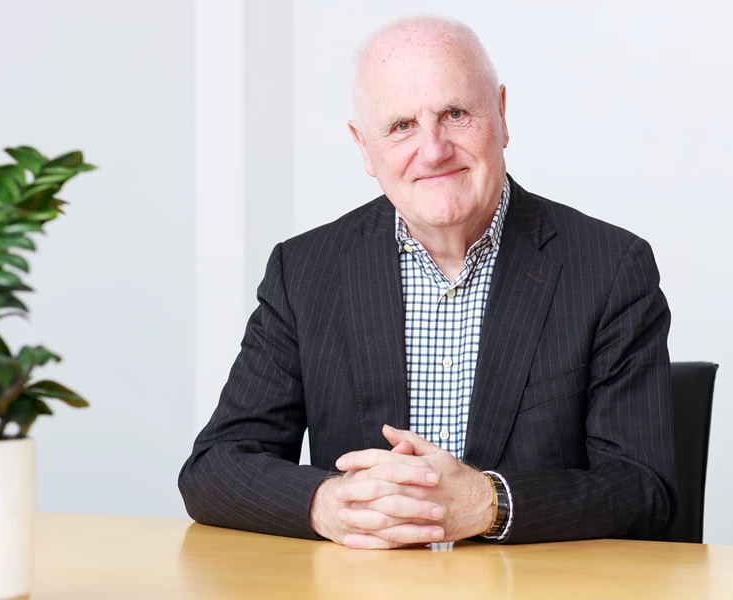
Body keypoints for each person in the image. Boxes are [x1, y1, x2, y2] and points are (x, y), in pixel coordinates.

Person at [178, 15, 677, 549]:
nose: (433, 149)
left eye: (455, 114)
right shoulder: (303, 272)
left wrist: (491, 503)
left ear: (502, 115)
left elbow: (644, 491)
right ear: (364, 148)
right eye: (401, 126)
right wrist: (324, 504)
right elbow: (214, 467)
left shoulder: (609, 267)